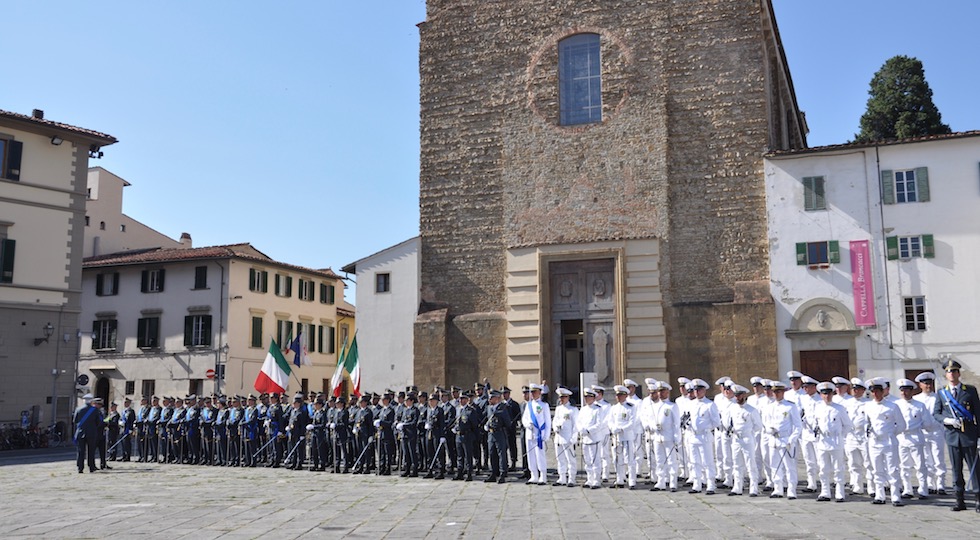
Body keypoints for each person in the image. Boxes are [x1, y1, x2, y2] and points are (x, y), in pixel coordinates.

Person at [932, 358, 980, 512]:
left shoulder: (970, 390)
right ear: (945, 375)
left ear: (958, 373)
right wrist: (948, 420)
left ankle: (978, 498)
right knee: (956, 470)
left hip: (969, 436)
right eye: (948, 371)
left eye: (954, 371)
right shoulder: (942, 393)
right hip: (952, 437)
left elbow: (978, 414)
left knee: (975, 470)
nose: (951, 374)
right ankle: (960, 500)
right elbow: (936, 414)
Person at [865, 377, 907, 506]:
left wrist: (890, 434)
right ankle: (880, 495)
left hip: (889, 442)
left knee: (892, 469)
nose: (876, 394)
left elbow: (901, 425)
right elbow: (867, 424)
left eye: (878, 391)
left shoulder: (892, 406)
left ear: (883, 391)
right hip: (874, 442)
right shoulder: (867, 406)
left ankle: (895, 495)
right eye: (873, 391)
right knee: (877, 469)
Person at [812, 381, 852, 502]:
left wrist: (839, 436)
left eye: (829, 394)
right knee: (823, 468)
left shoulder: (839, 408)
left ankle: (840, 493)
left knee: (838, 468)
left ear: (833, 394)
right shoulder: (818, 408)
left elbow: (848, 425)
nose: (827, 396)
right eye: (824, 394)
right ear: (821, 395)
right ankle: (825, 492)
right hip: (823, 441)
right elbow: (815, 423)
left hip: (836, 441)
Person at [895, 378, 934, 499]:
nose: (904, 393)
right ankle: (907, 489)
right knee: (904, 465)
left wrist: (917, 427)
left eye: (907, 390)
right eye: (902, 391)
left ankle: (923, 489)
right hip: (901, 438)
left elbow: (928, 423)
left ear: (912, 391)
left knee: (920, 465)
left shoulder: (919, 405)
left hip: (916, 437)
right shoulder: (896, 405)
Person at [762, 381, 801, 499]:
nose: (776, 394)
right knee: (774, 465)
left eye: (778, 392)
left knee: (790, 466)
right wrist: (769, 430)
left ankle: (791, 489)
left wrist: (792, 440)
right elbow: (765, 423)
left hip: (786, 440)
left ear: (783, 392)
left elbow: (798, 425)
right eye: (774, 392)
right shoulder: (769, 407)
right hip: (773, 440)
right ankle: (777, 488)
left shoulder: (790, 406)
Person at [914, 371, 947, 494]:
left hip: (936, 431)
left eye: (930, 383)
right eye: (925, 383)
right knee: (926, 458)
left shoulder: (939, 397)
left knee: (938, 457)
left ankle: (941, 483)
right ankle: (929, 482)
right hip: (922, 432)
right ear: (920, 385)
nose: (928, 386)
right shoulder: (916, 399)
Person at [726, 385, 762, 497]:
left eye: (740, 395)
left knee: (750, 463)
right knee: (737, 464)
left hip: (747, 438)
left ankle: (753, 488)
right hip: (736, 438)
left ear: (744, 395)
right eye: (736, 395)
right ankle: (737, 487)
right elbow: (729, 422)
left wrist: (748, 432)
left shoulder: (751, 410)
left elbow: (758, 426)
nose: (737, 397)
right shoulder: (732, 408)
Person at [607, 385, 638, 489]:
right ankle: (619, 478)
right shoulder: (614, 408)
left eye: (620, 395)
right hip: (616, 438)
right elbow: (610, 421)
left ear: (625, 395)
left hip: (627, 437)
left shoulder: (631, 407)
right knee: (617, 459)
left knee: (629, 459)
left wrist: (621, 429)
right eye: (617, 395)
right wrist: (613, 428)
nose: (618, 397)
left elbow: (632, 423)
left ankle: (632, 481)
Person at [577, 388, 607, 489]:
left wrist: (589, 430)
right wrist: (581, 430)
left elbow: (599, 424)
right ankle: (589, 479)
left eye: (588, 397)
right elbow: (579, 422)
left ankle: (596, 480)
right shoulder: (583, 409)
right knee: (587, 460)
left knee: (595, 460)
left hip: (594, 438)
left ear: (593, 398)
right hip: (585, 438)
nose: (586, 399)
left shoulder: (598, 409)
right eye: (585, 397)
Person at [522, 383, 551, 485]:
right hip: (529, 434)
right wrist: (527, 424)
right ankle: (533, 475)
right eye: (532, 392)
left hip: (539, 434)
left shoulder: (544, 405)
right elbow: (524, 418)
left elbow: (548, 422)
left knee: (540, 456)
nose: (533, 394)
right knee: (531, 456)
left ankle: (543, 476)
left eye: (534, 392)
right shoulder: (528, 405)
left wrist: (546, 435)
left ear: (540, 392)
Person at [552, 387, 578, 487]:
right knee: (560, 459)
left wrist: (574, 438)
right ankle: (562, 477)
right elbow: (555, 420)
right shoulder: (558, 409)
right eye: (560, 397)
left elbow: (576, 425)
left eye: (563, 397)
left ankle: (571, 478)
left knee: (570, 459)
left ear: (567, 397)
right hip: (558, 438)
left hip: (568, 438)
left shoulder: (573, 410)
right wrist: (555, 428)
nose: (561, 399)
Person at [485, 389, 512, 484]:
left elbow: (508, 423)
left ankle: (502, 474)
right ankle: (493, 472)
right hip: (491, 434)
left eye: (491, 398)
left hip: (500, 433)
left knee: (501, 454)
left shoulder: (503, 408)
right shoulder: (489, 408)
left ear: (496, 398)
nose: (489, 400)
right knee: (492, 453)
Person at [452, 391, 478, 481]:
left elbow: (474, 425)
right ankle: (460, 472)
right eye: (460, 398)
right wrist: (455, 428)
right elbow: (456, 421)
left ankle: (469, 473)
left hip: (467, 435)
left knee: (468, 455)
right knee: (459, 455)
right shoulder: (458, 409)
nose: (461, 400)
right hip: (458, 436)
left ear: (467, 400)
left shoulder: (470, 411)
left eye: (463, 399)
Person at [74, 395, 100, 473]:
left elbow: (75, 421)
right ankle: (91, 466)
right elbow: (98, 421)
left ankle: (80, 467)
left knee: (80, 451)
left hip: (81, 432)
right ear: (91, 401)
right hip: (91, 432)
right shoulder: (95, 410)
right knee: (91, 450)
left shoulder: (78, 409)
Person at [399, 393, 420, 477]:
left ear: (412, 401)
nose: (406, 402)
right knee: (406, 452)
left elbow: (414, 423)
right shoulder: (405, 410)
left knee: (412, 452)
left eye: (408, 401)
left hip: (411, 434)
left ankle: (414, 470)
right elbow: (403, 419)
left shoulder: (415, 410)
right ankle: (407, 469)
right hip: (404, 434)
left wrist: (404, 425)